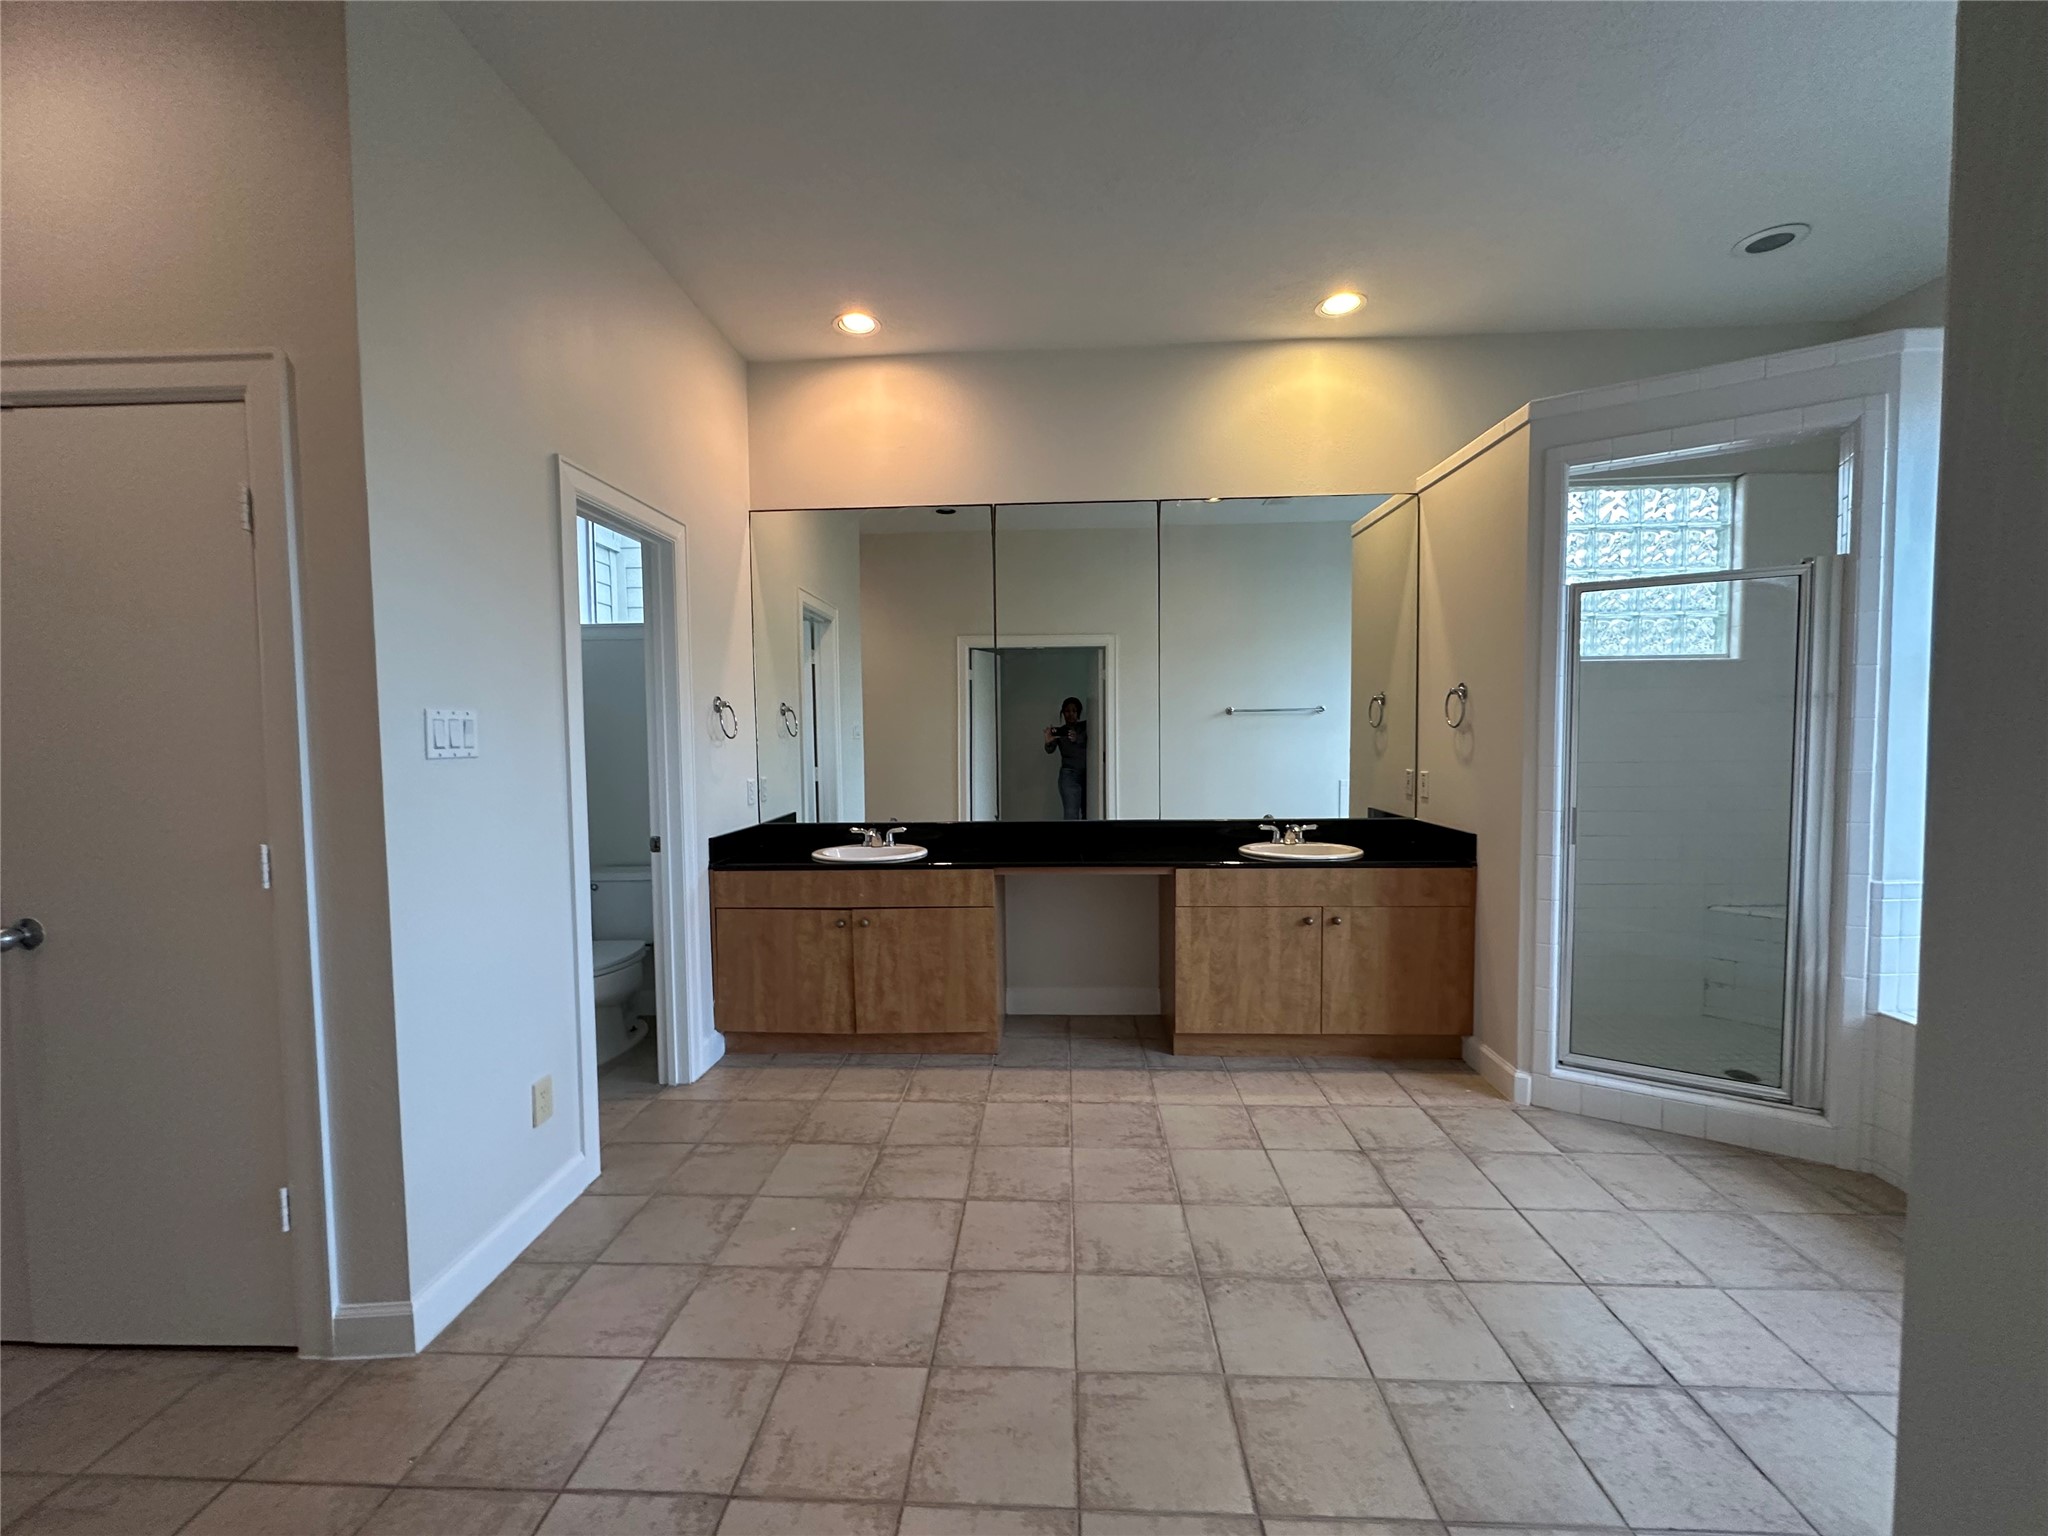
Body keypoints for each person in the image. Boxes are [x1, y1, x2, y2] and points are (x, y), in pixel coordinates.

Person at [1043, 696, 1089, 820]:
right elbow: (1050, 750)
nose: (1071, 714)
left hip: (1089, 775)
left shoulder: (1086, 727)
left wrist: (1077, 738)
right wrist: (1048, 741)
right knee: (1071, 814)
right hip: (1069, 775)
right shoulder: (1060, 731)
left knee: (1090, 813)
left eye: (1074, 711)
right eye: (1067, 711)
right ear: (1063, 713)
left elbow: (1093, 740)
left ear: (1078, 712)